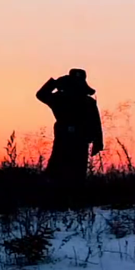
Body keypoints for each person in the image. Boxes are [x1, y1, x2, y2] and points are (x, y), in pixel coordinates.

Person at [36, 69, 104, 198]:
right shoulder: (60, 98)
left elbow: (96, 123)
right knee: (60, 168)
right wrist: (54, 83)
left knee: (75, 170)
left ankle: (71, 198)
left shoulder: (85, 101)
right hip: (65, 139)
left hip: (79, 139)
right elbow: (41, 95)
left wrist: (98, 142)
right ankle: (59, 198)